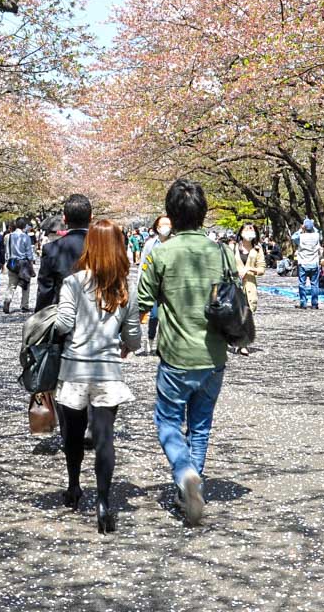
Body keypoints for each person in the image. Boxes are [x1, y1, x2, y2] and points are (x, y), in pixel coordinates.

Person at [136, 179, 229, 527]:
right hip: (214, 354)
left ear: (171, 217)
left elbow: (142, 303)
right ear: (203, 214)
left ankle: (185, 472)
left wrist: (126, 341)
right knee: (201, 425)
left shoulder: (160, 253)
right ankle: (193, 484)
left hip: (176, 354)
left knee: (168, 421)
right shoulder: (221, 252)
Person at [53, 219, 141, 534]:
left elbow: (63, 324)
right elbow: (133, 339)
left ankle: (74, 486)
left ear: (90, 245)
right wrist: (125, 344)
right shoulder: (125, 286)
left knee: (73, 436)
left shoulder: (73, 283)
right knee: (104, 438)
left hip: (74, 370)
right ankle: (104, 502)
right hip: (107, 373)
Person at [35, 194, 91, 312]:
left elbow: (45, 290)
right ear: (91, 217)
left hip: (63, 315)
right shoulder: (105, 247)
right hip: (100, 320)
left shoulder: (51, 249)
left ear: (64, 219)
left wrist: (40, 317)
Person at [135, 215, 172, 356]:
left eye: (168, 224)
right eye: (163, 225)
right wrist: (141, 283)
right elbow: (143, 264)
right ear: (157, 227)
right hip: (154, 284)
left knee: (167, 317)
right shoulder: (151, 244)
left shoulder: (174, 243)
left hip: (169, 286)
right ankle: (150, 340)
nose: (166, 228)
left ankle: (164, 344)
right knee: (154, 315)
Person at [3, 217, 35, 314]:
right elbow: (29, 253)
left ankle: (7, 300)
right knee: (26, 284)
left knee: (12, 284)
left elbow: (7, 251)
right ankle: (24, 305)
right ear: (24, 226)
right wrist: (31, 262)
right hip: (23, 263)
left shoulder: (9, 236)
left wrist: (8, 260)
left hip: (12, 262)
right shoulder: (26, 237)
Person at [291, 218, 322, 309]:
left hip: (303, 263)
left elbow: (293, 237)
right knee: (314, 284)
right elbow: (318, 232)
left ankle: (303, 302)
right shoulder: (316, 236)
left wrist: (301, 229)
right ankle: (315, 303)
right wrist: (313, 226)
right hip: (314, 262)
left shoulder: (301, 237)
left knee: (302, 284)